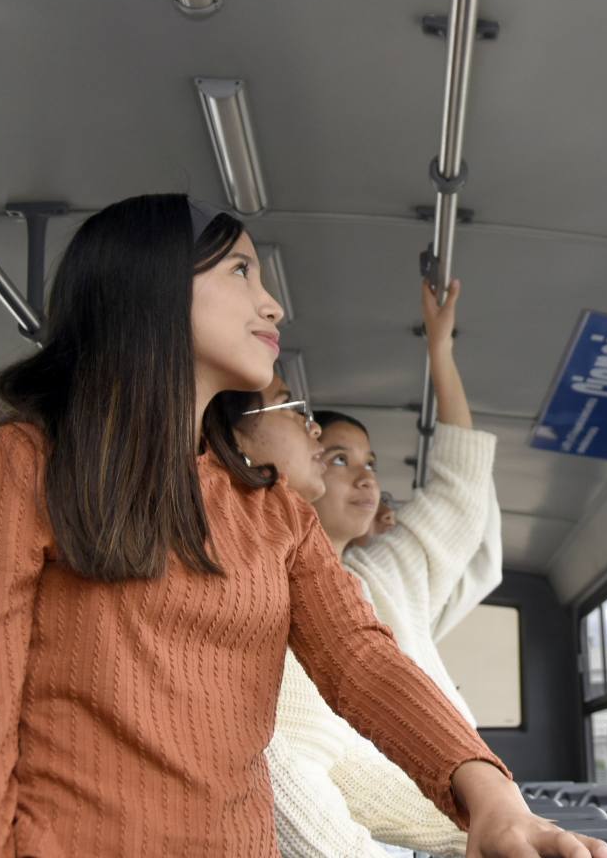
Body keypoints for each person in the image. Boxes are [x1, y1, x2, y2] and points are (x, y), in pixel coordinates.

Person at [0, 194, 607, 858]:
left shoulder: (272, 511)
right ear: (150, 286)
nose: (272, 304)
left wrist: (493, 797)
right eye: (241, 271)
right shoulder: (22, 466)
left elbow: (361, 660)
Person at [256, 279, 504, 857]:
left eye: (369, 463)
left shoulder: (381, 578)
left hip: (425, 808)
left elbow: (460, 496)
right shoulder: (255, 592)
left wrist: (487, 816)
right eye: (338, 458)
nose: (364, 477)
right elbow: (292, 763)